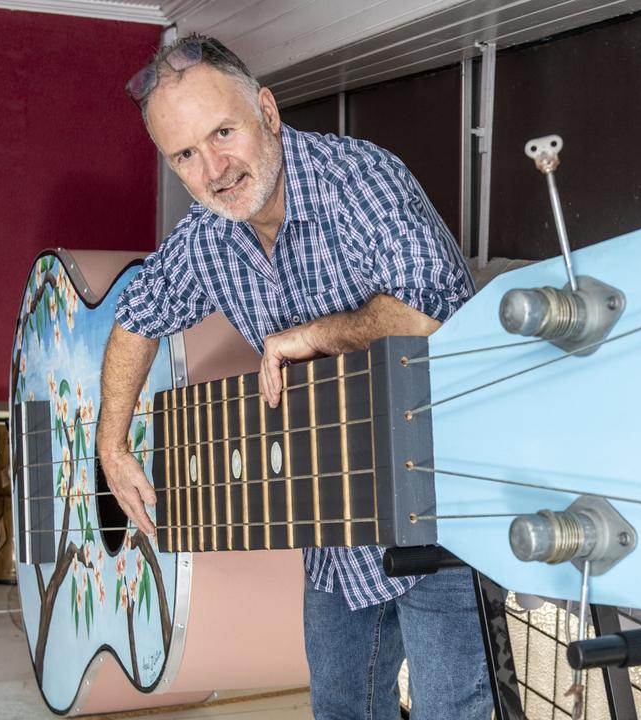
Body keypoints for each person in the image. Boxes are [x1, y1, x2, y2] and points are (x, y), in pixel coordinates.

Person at [96, 34, 492, 720]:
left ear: (268, 113)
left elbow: (433, 318)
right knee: (341, 709)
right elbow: (136, 314)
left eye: (223, 133)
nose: (213, 169)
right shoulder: (207, 235)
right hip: (338, 523)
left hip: (443, 508)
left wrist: (312, 336)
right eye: (184, 155)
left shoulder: (358, 181)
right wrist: (112, 441)